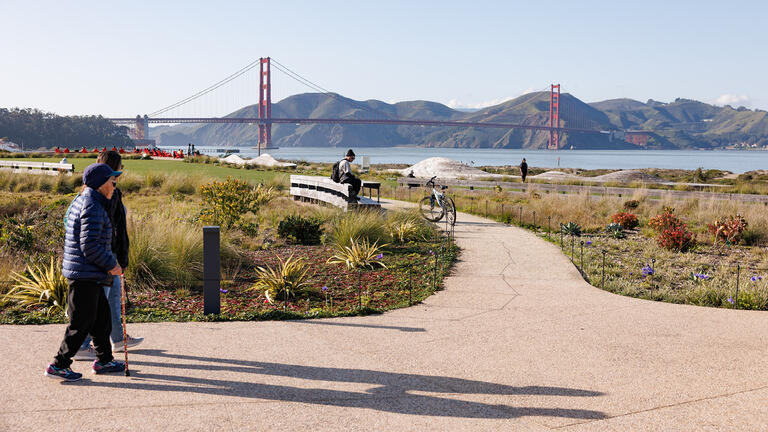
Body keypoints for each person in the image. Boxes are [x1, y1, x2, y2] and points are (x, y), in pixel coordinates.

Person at [45, 163, 126, 381]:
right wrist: (112, 264)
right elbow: (89, 246)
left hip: (88, 273)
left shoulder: (90, 201)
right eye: (112, 180)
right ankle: (59, 364)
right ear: (101, 184)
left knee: (101, 319)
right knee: (80, 323)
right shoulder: (92, 206)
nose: (114, 184)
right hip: (84, 274)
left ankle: (104, 360)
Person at [75, 151, 143, 361]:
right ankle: (83, 345)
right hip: (105, 257)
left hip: (108, 255)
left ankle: (118, 338)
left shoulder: (95, 192)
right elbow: (110, 229)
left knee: (113, 298)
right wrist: (113, 258)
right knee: (98, 302)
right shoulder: (104, 196)